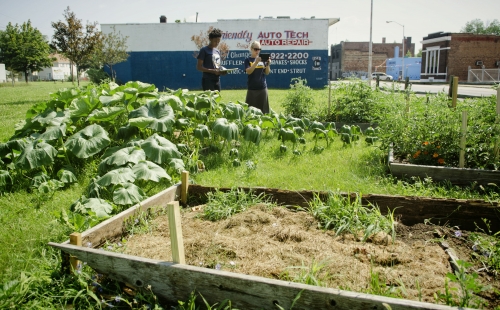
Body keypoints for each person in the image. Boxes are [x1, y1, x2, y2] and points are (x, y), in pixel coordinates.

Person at [244, 41, 271, 114]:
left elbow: (267, 72)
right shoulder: (248, 60)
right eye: (256, 49)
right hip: (252, 89)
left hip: (262, 88)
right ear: (251, 49)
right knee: (250, 112)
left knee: (264, 112)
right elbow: (248, 71)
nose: (257, 51)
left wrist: (268, 64)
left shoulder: (262, 60)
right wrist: (256, 62)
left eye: (259, 49)